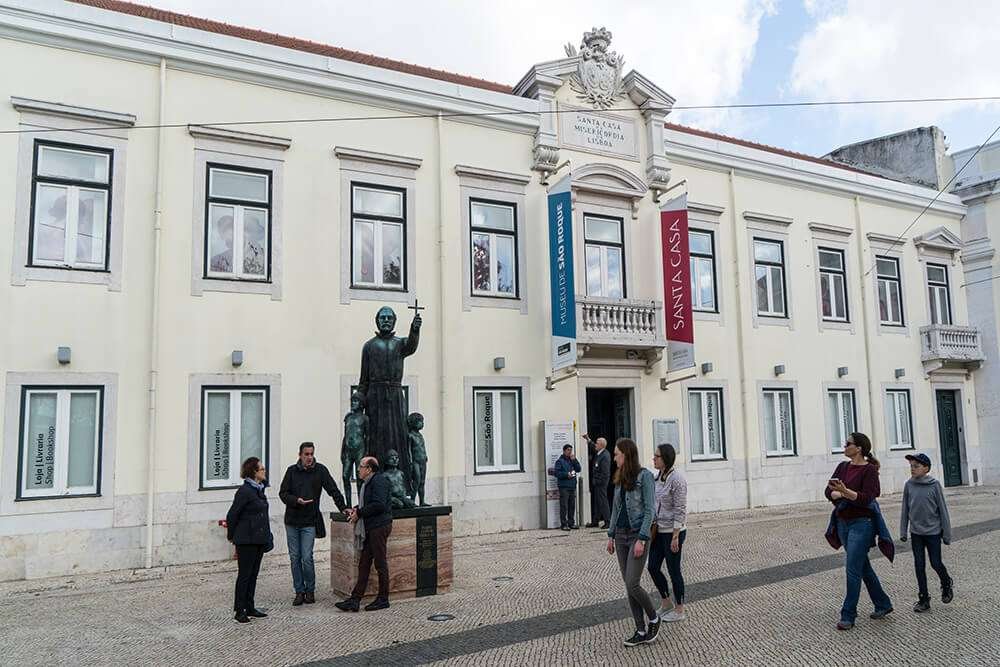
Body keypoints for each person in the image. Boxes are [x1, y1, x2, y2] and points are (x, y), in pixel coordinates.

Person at [824, 432, 894, 631]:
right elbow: (828, 491)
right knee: (863, 567)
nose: (844, 446)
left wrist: (845, 493)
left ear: (859, 448)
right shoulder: (842, 467)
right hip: (843, 522)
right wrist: (840, 494)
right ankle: (883, 603)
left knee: (852, 568)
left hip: (862, 524)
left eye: (848, 444)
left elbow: (868, 498)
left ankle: (848, 614)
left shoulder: (869, 470)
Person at [356, 306, 421, 491]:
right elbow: (364, 379)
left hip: (394, 395)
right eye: (382, 317)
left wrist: (415, 329)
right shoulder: (369, 346)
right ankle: (375, 484)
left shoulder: (399, 344)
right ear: (377, 321)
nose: (385, 320)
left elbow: (412, 346)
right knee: (375, 437)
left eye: (389, 318)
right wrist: (360, 402)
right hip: (375, 396)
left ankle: (402, 485)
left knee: (398, 435)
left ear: (394, 321)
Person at [278, 442, 348, 606]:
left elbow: (333, 490)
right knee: (295, 558)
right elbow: (282, 493)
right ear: (300, 455)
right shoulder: (291, 471)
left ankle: (310, 590)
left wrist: (343, 507)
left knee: (307, 557)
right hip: (292, 521)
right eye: (306, 454)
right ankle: (299, 591)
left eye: (311, 454)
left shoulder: (320, 470)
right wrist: (296, 500)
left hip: (309, 521)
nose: (309, 457)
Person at [606, 438, 661, 647]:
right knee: (628, 587)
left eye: (616, 454)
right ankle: (640, 629)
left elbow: (650, 510)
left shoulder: (645, 476)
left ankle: (654, 618)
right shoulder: (620, 477)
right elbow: (616, 509)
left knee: (633, 582)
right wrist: (610, 535)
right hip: (621, 536)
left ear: (626, 455)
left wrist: (642, 538)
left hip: (637, 535)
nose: (614, 458)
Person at [336, 456, 393, 612]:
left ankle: (383, 599)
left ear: (369, 469)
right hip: (371, 527)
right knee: (364, 563)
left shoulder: (379, 481)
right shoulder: (368, 483)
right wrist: (355, 509)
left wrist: (359, 513)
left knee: (380, 563)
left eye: (361, 466)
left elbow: (379, 504)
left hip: (379, 526)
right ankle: (355, 600)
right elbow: (367, 503)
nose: (358, 469)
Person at [899, 452, 954, 613]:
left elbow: (943, 510)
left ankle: (946, 582)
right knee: (919, 565)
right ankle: (924, 598)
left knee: (935, 562)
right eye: (911, 466)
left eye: (916, 466)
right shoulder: (909, 485)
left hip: (933, 532)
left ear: (926, 468)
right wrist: (903, 530)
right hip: (916, 533)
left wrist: (947, 534)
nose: (912, 469)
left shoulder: (934, 485)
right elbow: (905, 509)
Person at [226, 457, 273, 624]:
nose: (264, 471)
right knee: (244, 575)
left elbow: (263, 516)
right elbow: (232, 515)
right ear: (254, 472)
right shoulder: (245, 491)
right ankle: (239, 610)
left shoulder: (259, 490)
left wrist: (268, 535)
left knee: (253, 574)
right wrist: (232, 536)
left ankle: (250, 606)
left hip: (259, 539)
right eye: (262, 469)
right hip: (246, 540)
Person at [648, 443, 687, 621]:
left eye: (657, 456)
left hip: (673, 531)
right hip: (659, 530)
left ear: (666, 459)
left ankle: (679, 610)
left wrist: (676, 535)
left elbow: (680, 509)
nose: (654, 459)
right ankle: (666, 602)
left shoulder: (677, 479)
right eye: (654, 456)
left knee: (673, 570)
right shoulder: (658, 477)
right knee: (653, 566)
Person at [583, 435, 611, 529]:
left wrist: (599, 481)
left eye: (597, 443)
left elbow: (605, 472)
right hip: (597, 482)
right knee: (597, 502)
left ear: (602, 445)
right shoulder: (600, 452)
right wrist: (588, 440)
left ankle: (608, 521)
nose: (595, 445)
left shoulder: (605, 456)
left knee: (603, 502)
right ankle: (595, 521)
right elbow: (593, 448)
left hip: (601, 483)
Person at [553, 444, 582, 530]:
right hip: (564, 486)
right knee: (564, 506)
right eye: (568, 450)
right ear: (564, 450)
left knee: (572, 505)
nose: (570, 452)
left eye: (571, 450)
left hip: (572, 486)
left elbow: (579, 469)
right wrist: (566, 474)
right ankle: (564, 524)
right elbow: (557, 473)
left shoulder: (572, 460)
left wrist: (575, 460)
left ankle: (571, 523)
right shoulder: (560, 461)